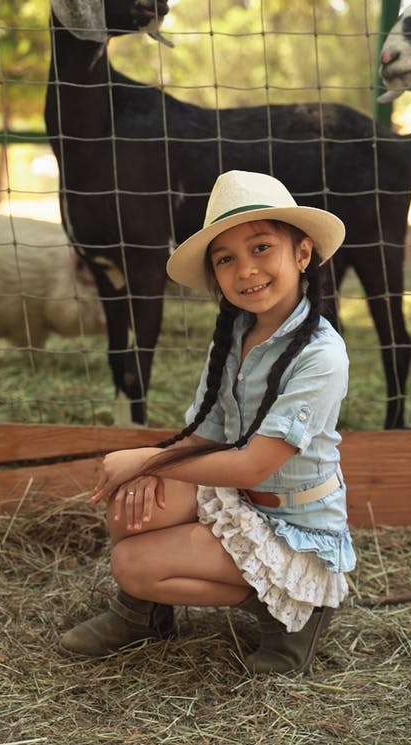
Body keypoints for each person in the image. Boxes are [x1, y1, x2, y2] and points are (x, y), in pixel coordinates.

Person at [61, 169, 356, 674]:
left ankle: (293, 610)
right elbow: (205, 436)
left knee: (131, 562)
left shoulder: (322, 355)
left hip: (294, 525)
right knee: (128, 514)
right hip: (239, 501)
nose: (246, 271)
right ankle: (144, 614)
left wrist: (149, 459)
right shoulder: (236, 332)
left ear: (302, 253)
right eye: (227, 259)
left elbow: (251, 467)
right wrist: (153, 470)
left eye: (261, 248)